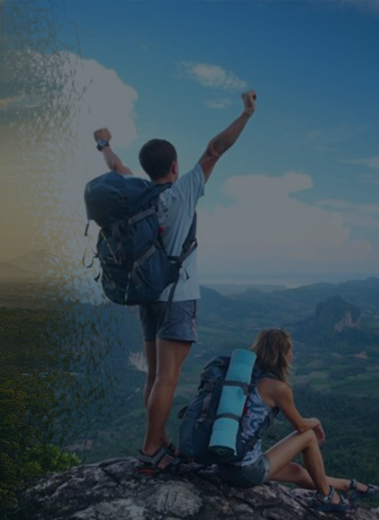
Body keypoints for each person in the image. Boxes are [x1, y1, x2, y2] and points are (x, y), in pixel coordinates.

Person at [93, 89, 258, 474]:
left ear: (146, 167)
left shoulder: (138, 194)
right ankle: (152, 450)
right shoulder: (183, 191)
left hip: (147, 295)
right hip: (177, 297)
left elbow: (116, 166)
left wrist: (103, 144)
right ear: (174, 165)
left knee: (154, 376)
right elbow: (215, 149)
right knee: (167, 378)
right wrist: (246, 114)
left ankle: (159, 438)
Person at [218, 328, 379, 510]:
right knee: (309, 436)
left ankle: (347, 485)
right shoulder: (277, 387)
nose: (293, 356)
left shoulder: (243, 378)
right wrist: (316, 421)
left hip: (225, 465)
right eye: (291, 351)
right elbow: (301, 426)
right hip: (245, 471)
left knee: (297, 472)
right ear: (281, 355)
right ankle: (327, 497)